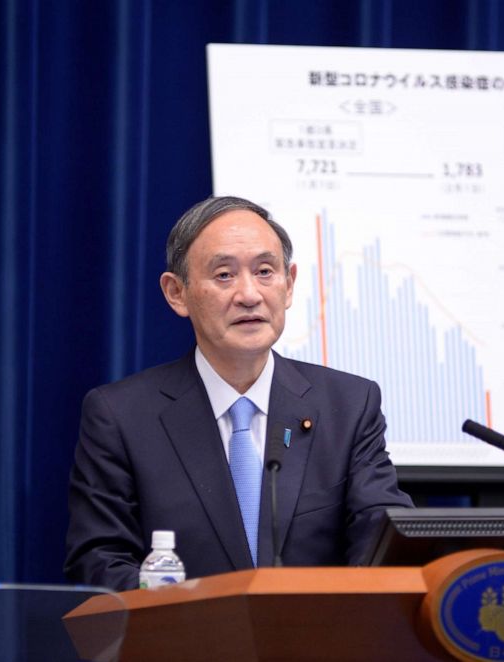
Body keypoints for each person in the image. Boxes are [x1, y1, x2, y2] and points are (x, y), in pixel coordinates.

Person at [64, 196, 412, 590]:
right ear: (177, 293)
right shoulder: (121, 416)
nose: (249, 294)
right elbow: (98, 560)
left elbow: (382, 537)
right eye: (225, 275)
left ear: (289, 284)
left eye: (265, 272)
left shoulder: (348, 406)